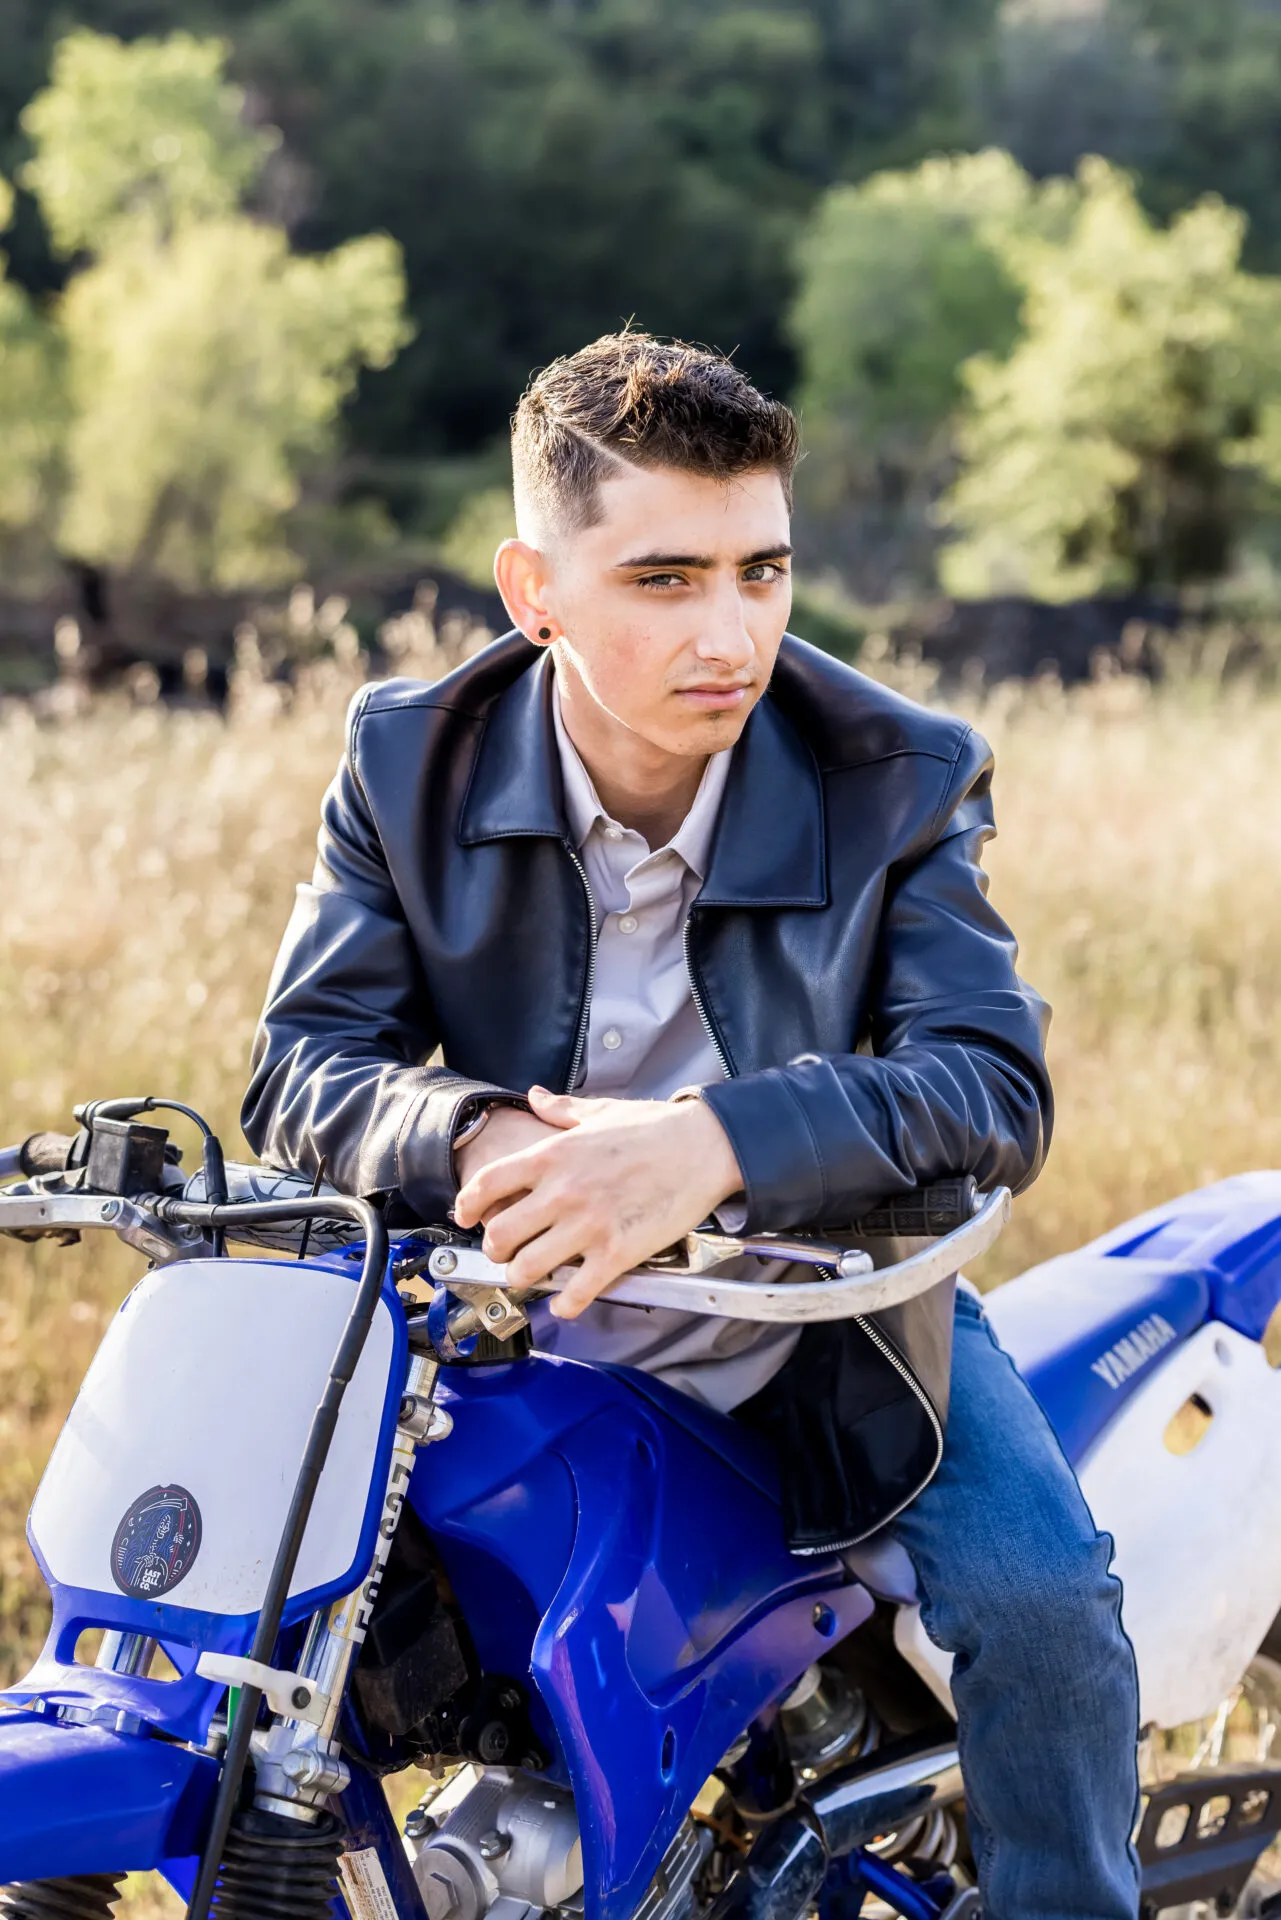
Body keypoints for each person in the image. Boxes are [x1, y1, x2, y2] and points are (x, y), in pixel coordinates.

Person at [243, 332, 1140, 1919]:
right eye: (664, 578)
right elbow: (305, 1065)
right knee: (271, 1638)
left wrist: (713, 1144)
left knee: (1044, 1597)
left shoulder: (899, 771)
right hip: (519, 1321)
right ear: (535, 592)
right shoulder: (404, 756)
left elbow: (991, 1085)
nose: (731, 631)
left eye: (762, 569)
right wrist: (484, 1137)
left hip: (833, 1316)